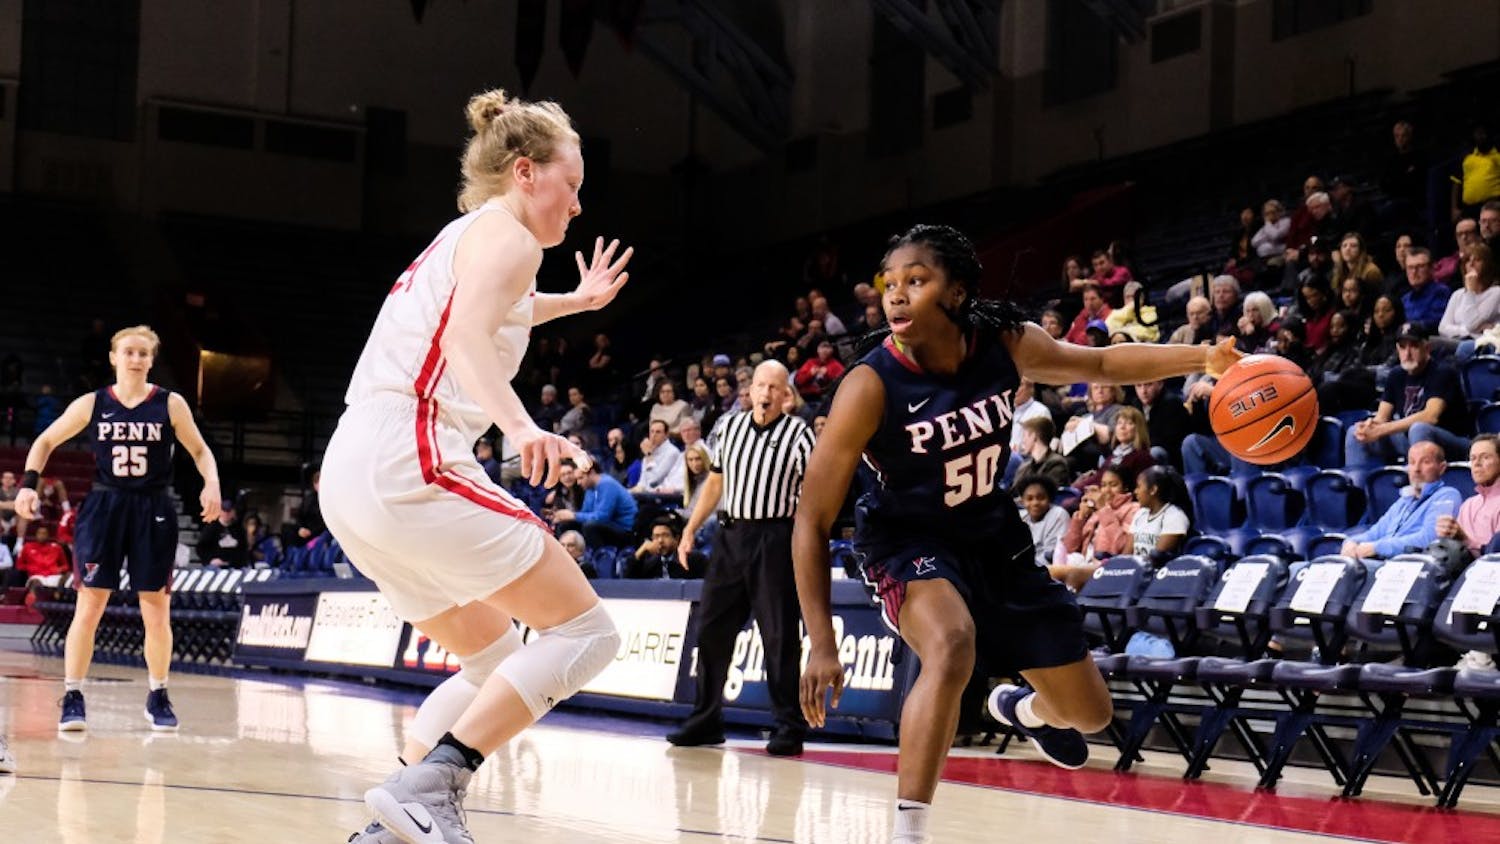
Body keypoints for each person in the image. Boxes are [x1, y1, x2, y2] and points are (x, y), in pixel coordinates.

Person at [791, 225, 1240, 844]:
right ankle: (908, 833)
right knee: (950, 644)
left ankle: (1018, 709)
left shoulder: (1003, 341)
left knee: (1090, 714)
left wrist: (1204, 357)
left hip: (993, 537)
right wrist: (820, 641)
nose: (894, 297)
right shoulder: (869, 386)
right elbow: (811, 519)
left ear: (957, 292)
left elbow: (1103, 362)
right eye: (888, 284)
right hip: (908, 541)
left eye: (916, 282)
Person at [319, 89, 630, 844]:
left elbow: (499, 310)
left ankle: (392, 825)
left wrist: (577, 303)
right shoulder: (510, 239)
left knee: (496, 658)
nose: (579, 206)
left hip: (352, 471)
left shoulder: (477, 237)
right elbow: (465, 340)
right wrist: (524, 426)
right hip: (411, 451)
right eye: (573, 184)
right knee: (588, 635)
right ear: (526, 172)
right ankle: (432, 786)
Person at [16, 325, 221, 733]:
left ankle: (158, 694)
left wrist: (211, 483)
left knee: (156, 610)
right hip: (106, 505)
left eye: (143, 353)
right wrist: (28, 485)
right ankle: (73, 695)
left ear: (151, 359)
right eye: (128, 351)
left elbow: (199, 449)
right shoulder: (93, 403)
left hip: (153, 508)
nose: (136, 359)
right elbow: (43, 441)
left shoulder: (169, 403)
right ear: (113, 357)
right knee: (89, 606)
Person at [669, 360, 816, 756]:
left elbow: (814, 493)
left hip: (774, 538)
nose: (766, 394)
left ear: (786, 395)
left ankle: (788, 725)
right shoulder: (729, 428)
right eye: (760, 386)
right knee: (712, 631)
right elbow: (715, 482)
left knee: (780, 636)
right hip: (730, 536)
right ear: (749, 390)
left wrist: (806, 540)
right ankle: (705, 720)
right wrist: (689, 529)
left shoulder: (799, 434)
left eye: (775, 388)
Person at [1345, 322, 1471, 467]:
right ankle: (1357, 487)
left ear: (1427, 348)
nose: (1407, 353)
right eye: (1403, 347)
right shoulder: (1396, 374)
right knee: (1355, 432)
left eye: (1414, 346)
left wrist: (1381, 429)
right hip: (1410, 438)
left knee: (1419, 428)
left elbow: (1430, 416)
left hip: (1451, 441)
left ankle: (1420, 486)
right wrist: (1370, 425)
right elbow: (1382, 417)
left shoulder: (1442, 372)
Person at [1342, 441, 1461, 561]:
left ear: (1441, 468)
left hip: (1411, 565)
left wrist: (1377, 547)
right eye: (1412, 462)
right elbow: (1375, 532)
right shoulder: (1403, 501)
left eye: (1425, 462)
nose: (1416, 469)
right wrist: (1352, 542)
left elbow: (1430, 539)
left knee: (1350, 571)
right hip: (1385, 563)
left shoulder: (1447, 495)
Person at [1436, 434, 1500, 561]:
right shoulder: (1468, 505)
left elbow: (1495, 554)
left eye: (1485, 457)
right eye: (1473, 458)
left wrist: (1464, 539)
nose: (1477, 464)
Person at [1126, 466, 1192, 563]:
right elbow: (1126, 555)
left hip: (1158, 573)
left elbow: (1157, 559)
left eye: (1139, 486)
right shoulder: (1140, 514)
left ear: (1153, 490)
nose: (1135, 492)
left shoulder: (1175, 516)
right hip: (1135, 571)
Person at [625, 518, 706, 579]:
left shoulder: (694, 558)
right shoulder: (651, 563)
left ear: (677, 538)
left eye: (665, 535)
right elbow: (627, 582)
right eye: (656, 536)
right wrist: (641, 551)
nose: (660, 540)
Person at [1018, 478, 1068, 569]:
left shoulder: (1058, 514)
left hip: (1048, 569)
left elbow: (1050, 554)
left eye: (1041, 498)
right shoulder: (1021, 517)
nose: (1035, 503)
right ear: (1022, 501)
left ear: (1050, 498)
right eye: (1029, 499)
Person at [196, 500, 247, 568]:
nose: (226, 514)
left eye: (229, 511)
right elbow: (201, 548)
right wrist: (210, 560)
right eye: (224, 511)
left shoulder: (238, 530)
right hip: (215, 565)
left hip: (234, 566)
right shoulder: (211, 528)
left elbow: (243, 548)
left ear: (233, 512)